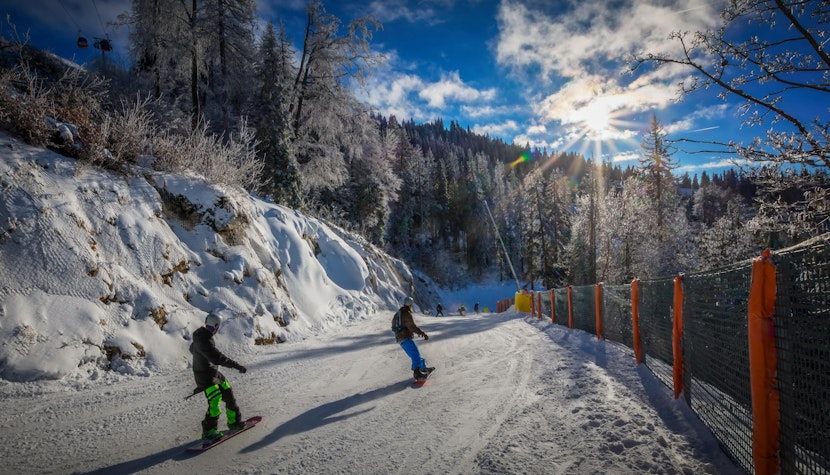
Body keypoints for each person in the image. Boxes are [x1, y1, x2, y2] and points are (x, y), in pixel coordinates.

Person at [190, 312, 248, 441]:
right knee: (215, 401)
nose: (218, 328)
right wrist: (237, 366)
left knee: (228, 393)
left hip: (214, 373)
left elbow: (192, 349)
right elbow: (218, 358)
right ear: (216, 326)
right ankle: (209, 431)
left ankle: (234, 423)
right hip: (205, 377)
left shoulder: (204, 336)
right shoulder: (203, 341)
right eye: (218, 326)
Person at [392, 297, 435, 380]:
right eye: (411, 305)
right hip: (405, 338)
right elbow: (412, 327)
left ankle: (423, 368)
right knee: (415, 355)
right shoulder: (406, 314)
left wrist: (400, 330)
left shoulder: (398, 313)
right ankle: (418, 375)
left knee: (415, 355)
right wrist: (422, 333)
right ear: (410, 305)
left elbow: (393, 327)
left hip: (400, 339)